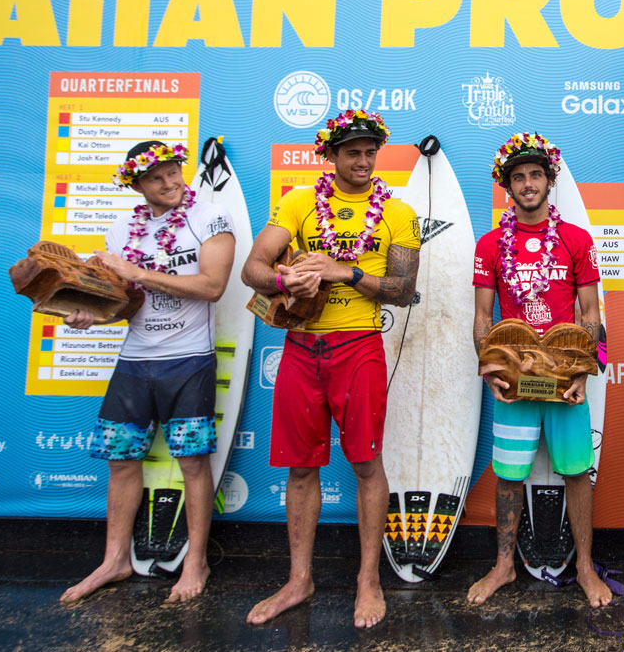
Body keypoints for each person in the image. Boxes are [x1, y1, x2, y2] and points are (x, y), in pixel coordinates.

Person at [241, 109, 420, 628]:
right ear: (331, 155)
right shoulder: (298, 201)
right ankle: (299, 579)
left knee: (366, 464)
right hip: (300, 348)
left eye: (370, 153)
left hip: (359, 348)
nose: (363, 162)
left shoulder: (397, 213)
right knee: (301, 468)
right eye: (352, 153)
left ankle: (368, 579)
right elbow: (253, 268)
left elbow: (404, 291)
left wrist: (344, 271)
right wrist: (283, 281)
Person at [59, 141, 236, 604]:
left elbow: (213, 286)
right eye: (157, 177)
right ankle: (114, 560)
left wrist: (135, 272)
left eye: (175, 171)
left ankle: (196, 560)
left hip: (190, 360)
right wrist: (90, 316)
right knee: (120, 461)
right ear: (137, 185)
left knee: (193, 464)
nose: (172, 182)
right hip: (134, 362)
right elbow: (123, 304)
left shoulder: (211, 218)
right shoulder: (121, 230)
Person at [466, 133, 611, 609]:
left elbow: (591, 313)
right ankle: (505, 565)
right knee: (509, 475)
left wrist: (582, 372)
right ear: (507, 186)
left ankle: (586, 568)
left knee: (576, 473)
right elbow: (483, 318)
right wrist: (491, 371)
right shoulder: (490, 245)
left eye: (535, 175)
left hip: (564, 379)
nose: (528, 184)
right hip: (515, 381)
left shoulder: (577, 240)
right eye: (518, 177)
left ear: (551, 181)